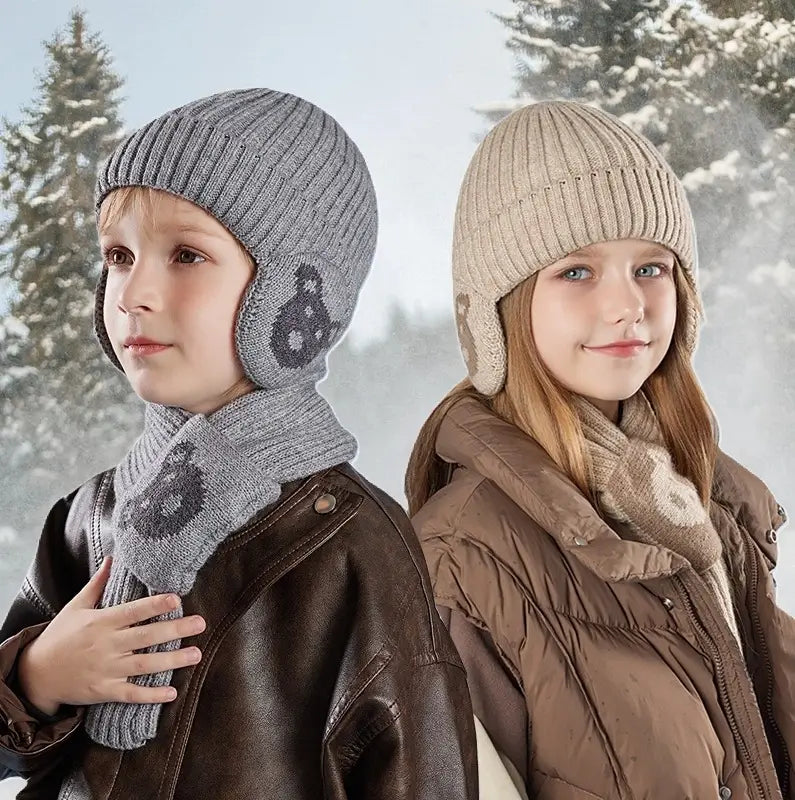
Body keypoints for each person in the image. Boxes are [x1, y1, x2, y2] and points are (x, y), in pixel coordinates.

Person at [0, 88, 477, 800]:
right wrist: (35, 677)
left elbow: (418, 776)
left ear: (294, 298)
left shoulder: (352, 544)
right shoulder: (88, 516)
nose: (133, 293)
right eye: (120, 256)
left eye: (186, 255)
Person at [406, 100, 795, 799]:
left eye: (650, 266)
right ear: (497, 312)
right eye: (576, 273)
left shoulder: (706, 511)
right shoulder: (459, 556)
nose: (628, 305)